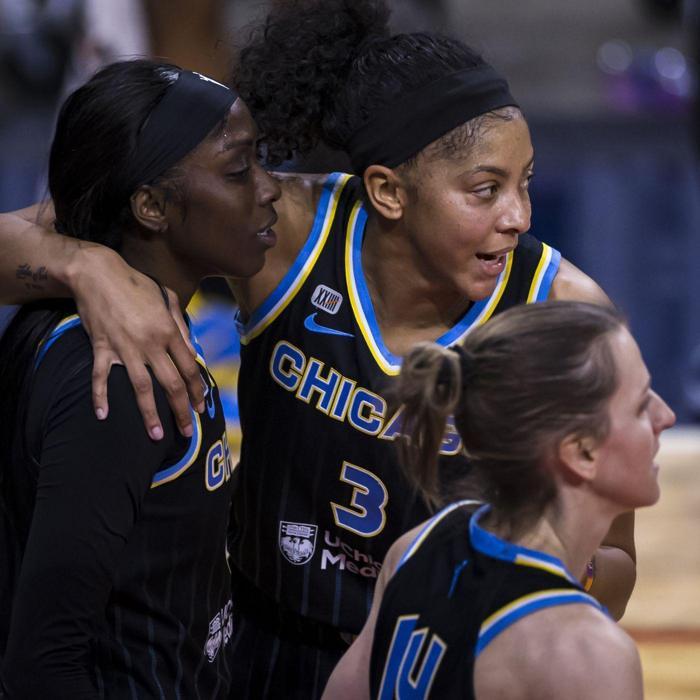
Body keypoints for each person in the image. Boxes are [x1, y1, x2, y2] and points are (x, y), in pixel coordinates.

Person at [0, 1, 637, 696]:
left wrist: (542, 567)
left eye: (526, 182)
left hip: (429, 655)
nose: (519, 216)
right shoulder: (285, 227)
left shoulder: (561, 311)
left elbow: (617, 560)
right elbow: (85, 212)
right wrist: (85, 266)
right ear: (387, 192)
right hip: (261, 642)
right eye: (485, 190)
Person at [0, 59, 280, 698]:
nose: (269, 189)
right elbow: (43, 665)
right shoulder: (118, 381)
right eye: (239, 170)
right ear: (151, 206)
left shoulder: (127, 312)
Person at [323, 301, 675, 700]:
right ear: (581, 451)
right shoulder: (585, 653)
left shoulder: (415, 547)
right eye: (641, 406)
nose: (666, 416)